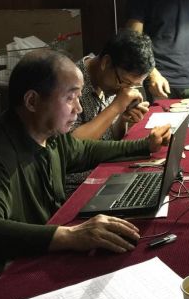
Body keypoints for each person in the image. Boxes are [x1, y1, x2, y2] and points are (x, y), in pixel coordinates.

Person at [0, 50, 171, 294]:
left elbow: (85, 150)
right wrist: (68, 236)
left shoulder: (48, 132)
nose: (78, 109)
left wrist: (144, 145)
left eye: (79, 97)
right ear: (32, 101)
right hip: (6, 275)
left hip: (43, 254)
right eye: (70, 98)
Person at [65, 30, 154, 194]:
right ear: (106, 62)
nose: (126, 90)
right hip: (77, 187)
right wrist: (116, 107)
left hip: (107, 172)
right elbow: (70, 148)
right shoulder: (71, 84)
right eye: (125, 82)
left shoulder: (110, 81)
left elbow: (109, 140)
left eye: (134, 85)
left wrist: (123, 120)